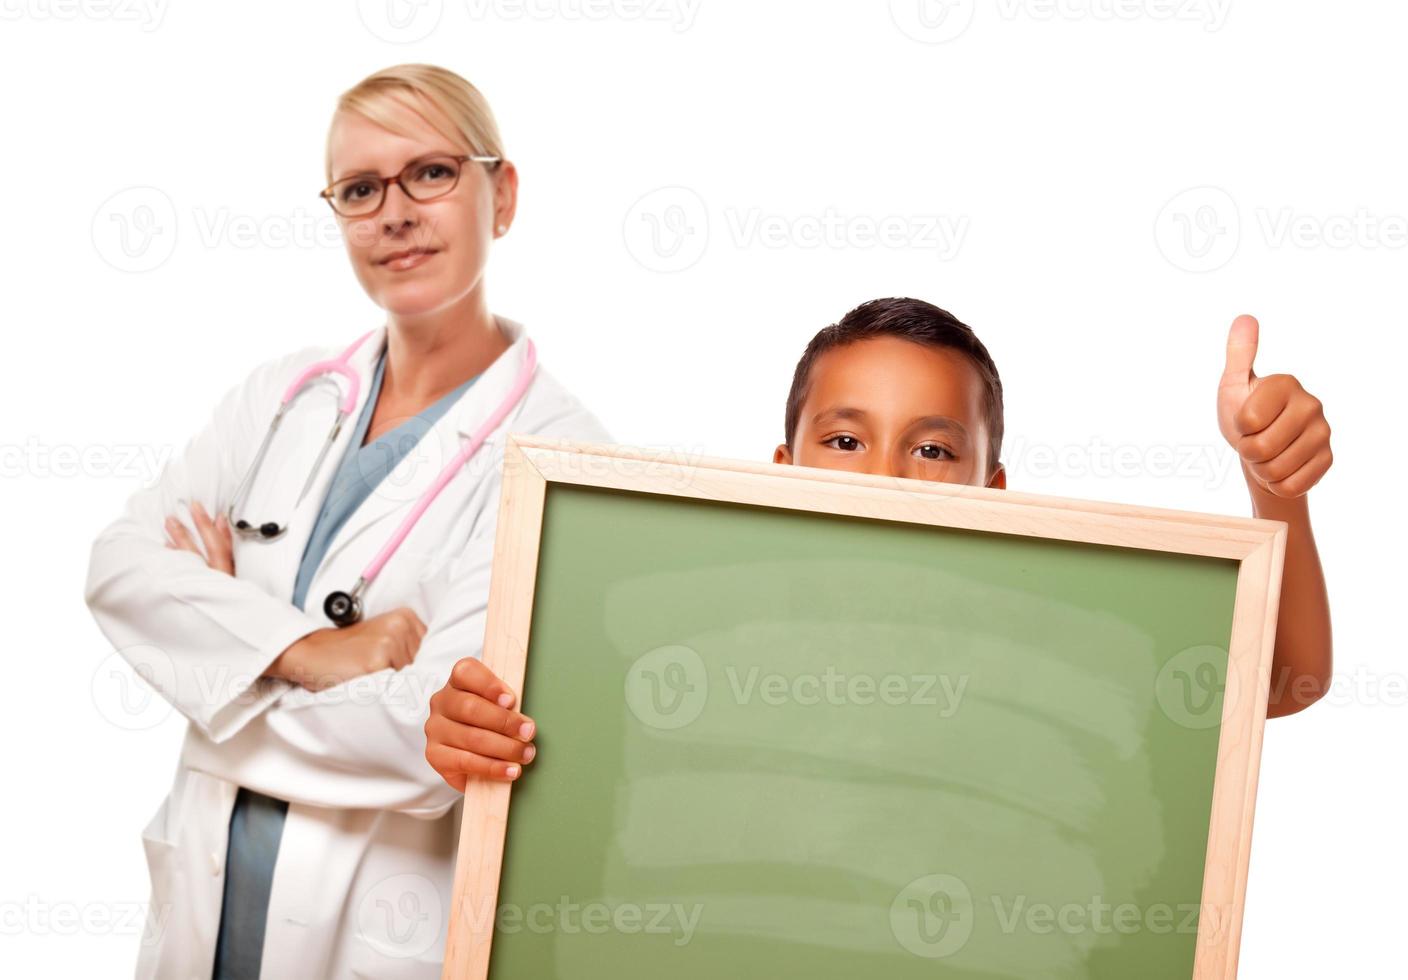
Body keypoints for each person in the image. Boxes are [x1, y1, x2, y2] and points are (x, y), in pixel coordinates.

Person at [83, 63, 605, 979]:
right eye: (361, 189)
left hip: (376, 937)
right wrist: (305, 652)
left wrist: (213, 661)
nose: (395, 213)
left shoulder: (560, 455)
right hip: (200, 920)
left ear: (504, 193)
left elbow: (421, 744)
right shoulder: (284, 397)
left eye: (431, 173)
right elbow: (120, 569)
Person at [424, 297, 1333, 797]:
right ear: (783, 468)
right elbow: (547, 765)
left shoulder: (1058, 651)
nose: (888, 477)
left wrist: (1275, 486)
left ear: (994, 489)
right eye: (847, 440)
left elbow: (1286, 678)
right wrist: (475, 736)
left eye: (934, 449)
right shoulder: (677, 656)